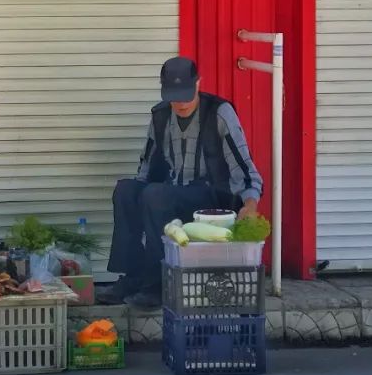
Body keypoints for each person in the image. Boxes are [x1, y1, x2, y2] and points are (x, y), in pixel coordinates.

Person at [103, 56, 264, 308]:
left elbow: (247, 171)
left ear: (199, 84)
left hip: (210, 199)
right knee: (126, 189)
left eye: (186, 94)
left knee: (155, 194)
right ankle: (131, 277)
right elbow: (145, 168)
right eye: (174, 95)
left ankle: (157, 285)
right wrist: (135, 198)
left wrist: (250, 206)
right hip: (169, 194)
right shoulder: (160, 116)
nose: (180, 102)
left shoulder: (220, 113)